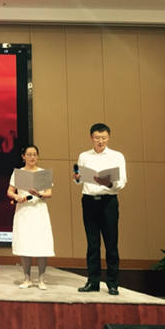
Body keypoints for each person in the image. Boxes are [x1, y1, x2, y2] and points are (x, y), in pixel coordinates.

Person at [73, 123, 127, 295]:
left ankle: (112, 284)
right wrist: (77, 178)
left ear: (108, 138)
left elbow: (122, 181)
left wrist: (109, 183)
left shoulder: (117, 156)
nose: (100, 141)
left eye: (104, 138)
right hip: (89, 201)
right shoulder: (84, 156)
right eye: (97, 138)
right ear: (91, 138)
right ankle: (93, 281)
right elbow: (80, 181)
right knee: (92, 244)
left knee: (111, 244)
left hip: (108, 201)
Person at [7, 145, 54, 290]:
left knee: (41, 244)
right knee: (25, 243)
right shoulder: (18, 173)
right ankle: (27, 278)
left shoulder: (43, 173)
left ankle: (41, 279)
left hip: (39, 210)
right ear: (23, 156)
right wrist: (16, 196)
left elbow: (49, 193)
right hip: (24, 210)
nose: (32, 157)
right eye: (29, 154)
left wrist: (39, 194)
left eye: (35, 154)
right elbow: (10, 191)